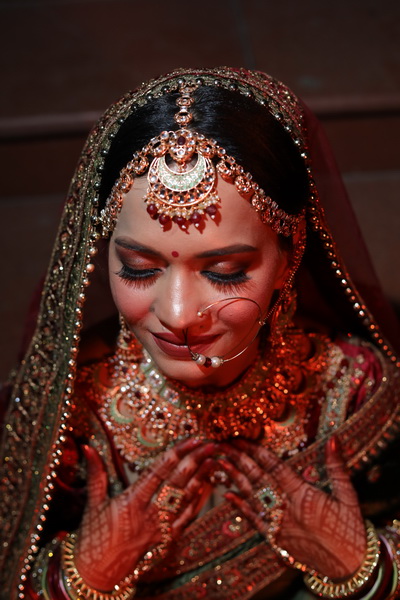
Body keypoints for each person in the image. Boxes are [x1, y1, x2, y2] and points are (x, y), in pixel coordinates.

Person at [1, 67, 400, 600]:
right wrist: (83, 573)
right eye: (139, 269)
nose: (178, 314)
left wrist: (362, 564)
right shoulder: (72, 411)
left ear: (289, 259)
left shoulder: (351, 387)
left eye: (225, 272)